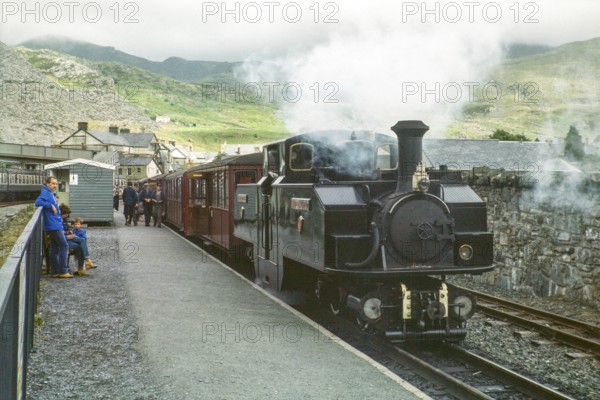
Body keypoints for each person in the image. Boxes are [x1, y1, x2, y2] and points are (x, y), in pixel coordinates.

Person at [35, 176, 72, 278]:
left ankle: (55, 271)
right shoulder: (46, 193)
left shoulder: (50, 193)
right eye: (53, 183)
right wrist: (50, 205)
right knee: (64, 246)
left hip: (54, 224)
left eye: (56, 183)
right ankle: (63, 271)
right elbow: (37, 202)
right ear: (48, 184)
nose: (55, 185)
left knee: (54, 248)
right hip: (53, 225)